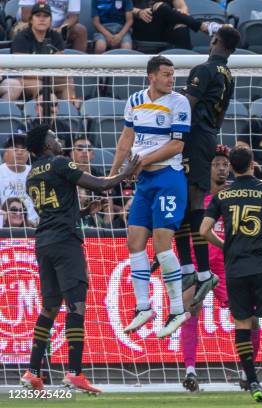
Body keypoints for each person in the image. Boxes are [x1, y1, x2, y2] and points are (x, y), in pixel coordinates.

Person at [19, 124, 138, 394]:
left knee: (49, 307)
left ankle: (32, 372)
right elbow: (101, 184)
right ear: (47, 146)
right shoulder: (60, 163)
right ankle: (74, 373)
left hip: (44, 243)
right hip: (65, 243)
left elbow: (53, 210)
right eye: (54, 138)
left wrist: (82, 212)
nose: (59, 140)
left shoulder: (31, 176)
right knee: (76, 307)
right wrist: (125, 173)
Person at [109, 56, 192, 339]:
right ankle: (144, 307)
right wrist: (112, 176)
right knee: (134, 241)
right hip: (144, 181)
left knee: (161, 245)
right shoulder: (134, 100)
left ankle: (178, 309)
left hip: (168, 178)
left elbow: (176, 144)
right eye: (167, 74)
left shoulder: (179, 102)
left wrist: (140, 163)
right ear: (151, 76)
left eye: (173, 74)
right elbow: (125, 140)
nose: (172, 79)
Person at [200, 146, 262, 402]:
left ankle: (252, 383)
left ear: (232, 167)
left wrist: (226, 246)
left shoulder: (223, 195)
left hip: (235, 268)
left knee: (242, 323)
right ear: (252, 164)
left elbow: (204, 230)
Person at [180, 145, 260, 392]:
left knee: (250, 319)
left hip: (227, 266)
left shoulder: (234, 196)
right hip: (196, 263)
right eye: (217, 164)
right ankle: (190, 370)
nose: (223, 169)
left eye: (226, 165)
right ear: (207, 167)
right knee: (189, 311)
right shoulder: (194, 198)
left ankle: (248, 371)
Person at [177, 25, 241, 311]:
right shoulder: (229, 76)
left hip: (194, 137)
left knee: (188, 203)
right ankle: (195, 271)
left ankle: (193, 269)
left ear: (215, 40)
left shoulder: (202, 70)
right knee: (191, 199)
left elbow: (187, 106)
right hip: (209, 136)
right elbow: (222, 115)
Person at [11, 2, 77, 103]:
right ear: (31, 20)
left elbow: (61, 68)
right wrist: (47, 70)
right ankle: (38, 115)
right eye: (38, 15)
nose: (42, 19)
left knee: (69, 82)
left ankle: (68, 114)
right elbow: (22, 70)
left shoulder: (55, 36)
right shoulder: (21, 37)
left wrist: (42, 70)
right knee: (39, 84)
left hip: (47, 77)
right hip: (22, 79)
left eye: (46, 16)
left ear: (50, 21)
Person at [132, 0, 219, 50]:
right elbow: (123, 8)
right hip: (143, 26)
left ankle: (186, 66)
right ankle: (203, 26)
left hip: (167, 29)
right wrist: (139, 12)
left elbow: (183, 7)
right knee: (161, 7)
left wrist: (180, 18)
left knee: (182, 27)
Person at [19, 0, 88, 52]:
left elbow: (73, 17)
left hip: (59, 27)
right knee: (22, 27)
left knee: (80, 30)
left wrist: (60, 29)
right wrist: (43, 28)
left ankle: (76, 67)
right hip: (35, 25)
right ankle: (24, 66)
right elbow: (26, 16)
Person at [0, 134, 39, 226]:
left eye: (24, 149)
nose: (20, 152)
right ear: (6, 151)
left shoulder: (36, 173)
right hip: (5, 228)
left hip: (35, 228)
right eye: (15, 149)